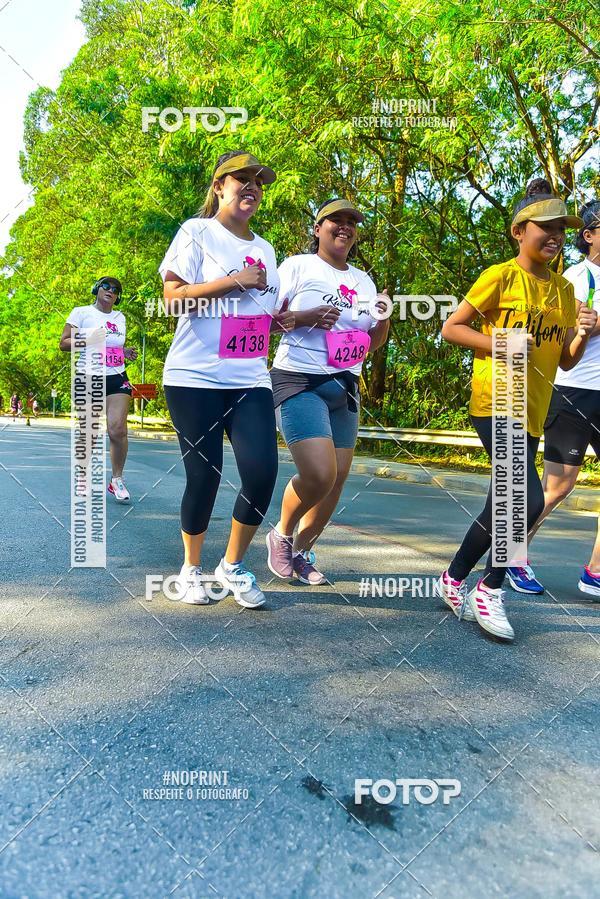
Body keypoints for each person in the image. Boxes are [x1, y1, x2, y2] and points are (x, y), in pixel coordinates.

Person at [438, 178, 597, 641]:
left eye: (561, 229)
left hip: (534, 407)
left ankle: (451, 578)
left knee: (500, 505)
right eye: (544, 227)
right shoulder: (500, 277)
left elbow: (565, 358)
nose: (554, 236)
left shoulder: (564, 292)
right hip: (496, 400)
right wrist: (502, 341)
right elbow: (453, 328)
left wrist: (582, 333)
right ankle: (490, 588)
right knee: (523, 500)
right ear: (518, 231)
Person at [159, 150, 292, 608]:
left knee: (262, 473)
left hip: (249, 376)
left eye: (260, 181)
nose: (252, 186)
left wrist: (296, 317)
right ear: (219, 186)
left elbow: (263, 316)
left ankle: (232, 565)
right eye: (243, 179)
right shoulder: (197, 233)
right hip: (193, 376)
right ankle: (191, 569)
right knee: (205, 475)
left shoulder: (267, 249)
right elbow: (172, 299)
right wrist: (233, 281)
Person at [266, 198, 390, 585]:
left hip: (345, 385)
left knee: (336, 481)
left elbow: (373, 342)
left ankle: (302, 550)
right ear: (318, 228)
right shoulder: (297, 267)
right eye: (335, 219)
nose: (345, 226)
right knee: (319, 473)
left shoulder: (364, 282)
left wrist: (384, 315)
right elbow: (263, 323)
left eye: (352, 222)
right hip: (298, 379)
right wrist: (305, 318)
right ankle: (281, 534)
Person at [506, 199, 600, 597]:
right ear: (590, 235)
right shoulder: (577, 279)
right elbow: (572, 334)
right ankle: (510, 556)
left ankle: (595, 572)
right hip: (577, 390)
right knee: (558, 486)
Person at [60, 277, 138, 502]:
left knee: (117, 430)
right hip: (88, 376)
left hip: (117, 376)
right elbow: (64, 343)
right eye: (106, 286)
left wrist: (124, 353)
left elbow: (112, 347)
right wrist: (90, 338)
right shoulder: (81, 313)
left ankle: (117, 480)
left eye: (115, 289)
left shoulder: (120, 317)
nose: (110, 291)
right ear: (96, 289)